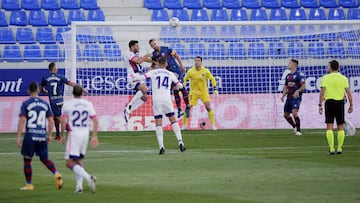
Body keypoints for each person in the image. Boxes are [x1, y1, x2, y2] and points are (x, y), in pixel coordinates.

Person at [16, 82, 63, 191]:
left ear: (28, 91)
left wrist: (18, 137)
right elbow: (51, 121)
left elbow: (22, 120)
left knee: (27, 160)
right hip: (42, 135)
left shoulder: (26, 103)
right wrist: (49, 135)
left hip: (30, 135)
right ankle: (57, 173)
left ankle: (29, 184)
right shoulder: (45, 104)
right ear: (38, 90)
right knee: (44, 159)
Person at [134, 56, 186, 154]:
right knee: (173, 120)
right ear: (166, 64)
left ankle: (161, 147)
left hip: (156, 100)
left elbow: (141, 77)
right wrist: (179, 82)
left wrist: (133, 80)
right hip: (166, 99)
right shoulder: (170, 73)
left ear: (158, 64)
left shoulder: (153, 72)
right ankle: (180, 142)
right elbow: (180, 86)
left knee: (158, 122)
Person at [60, 85, 98, 193]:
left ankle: (88, 178)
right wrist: (94, 136)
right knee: (79, 160)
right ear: (82, 93)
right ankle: (79, 187)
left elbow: (63, 121)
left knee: (69, 162)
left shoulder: (67, 104)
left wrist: (62, 135)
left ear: (72, 93)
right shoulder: (88, 104)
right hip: (85, 134)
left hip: (74, 134)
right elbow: (95, 120)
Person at [149, 39, 190, 118]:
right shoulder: (154, 55)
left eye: (154, 43)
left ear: (157, 43)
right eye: (152, 45)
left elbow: (177, 56)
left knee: (180, 86)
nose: (154, 45)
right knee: (175, 89)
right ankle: (179, 109)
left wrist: (182, 66)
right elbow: (154, 64)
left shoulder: (166, 49)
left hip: (176, 70)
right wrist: (149, 69)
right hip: (167, 74)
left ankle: (187, 106)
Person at [319, 60, 353, 155]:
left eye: (328, 66)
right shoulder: (343, 78)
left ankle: (331, 149)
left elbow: (322, 92)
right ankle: (340, 148)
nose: (327, 67)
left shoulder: (325, 78)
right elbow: (348, 93)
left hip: (329, 102)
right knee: (340, 126)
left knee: (329, 126)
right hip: (340, 103)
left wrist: (320, 105)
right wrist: (351, 105)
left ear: (330, 67)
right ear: (338, 67)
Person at [40, 62, 78, 140]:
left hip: (53, 100)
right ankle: (57, 135)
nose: (57, 68)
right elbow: (70, 83)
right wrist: (80, 87)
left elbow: (41, 87)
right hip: (60, 100)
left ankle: (69, 129)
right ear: (54, 69)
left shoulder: (45, 78)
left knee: (59, 117)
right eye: (56, 67)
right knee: (56, 117)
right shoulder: (60, 77)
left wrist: (44, 91)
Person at [183, 56, 218, 130]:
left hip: (203, 92)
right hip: (193, 93)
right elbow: (185, 79)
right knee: (188, 108)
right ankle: (184, 125)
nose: (197, 62)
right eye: (196, 60)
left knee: (208, 107)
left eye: (198, 60)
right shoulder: (191, 71)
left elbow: (212, 79)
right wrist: (182, 88)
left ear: (201, 62)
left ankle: (213, 125)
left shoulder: (205, 71)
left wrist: (215, 89)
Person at [123, 40, 152, 122]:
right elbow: (139, 61)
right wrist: (146, 55)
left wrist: (155, 60)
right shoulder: (128, 54)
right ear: (132, 47)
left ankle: (129, 110)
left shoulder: (137, 54)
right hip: (133, 75)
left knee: (145, 98)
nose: (138, 47)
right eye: (137, 46)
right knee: (145, 89)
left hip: (139, 75)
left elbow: (145, 60)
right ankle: (129, 106)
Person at [281, 59, 306, 136]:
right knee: (286, 115)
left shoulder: (299, 75)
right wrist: (283, 95)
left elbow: (304, 86)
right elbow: (286, 87)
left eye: (290, 63)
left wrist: (298, 91)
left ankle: (298, 130)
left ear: (295, 65)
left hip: (296, 97)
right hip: (289, 97)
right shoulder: (288, 76)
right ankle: (294, 126)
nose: (288, 64)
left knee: (294, 112)